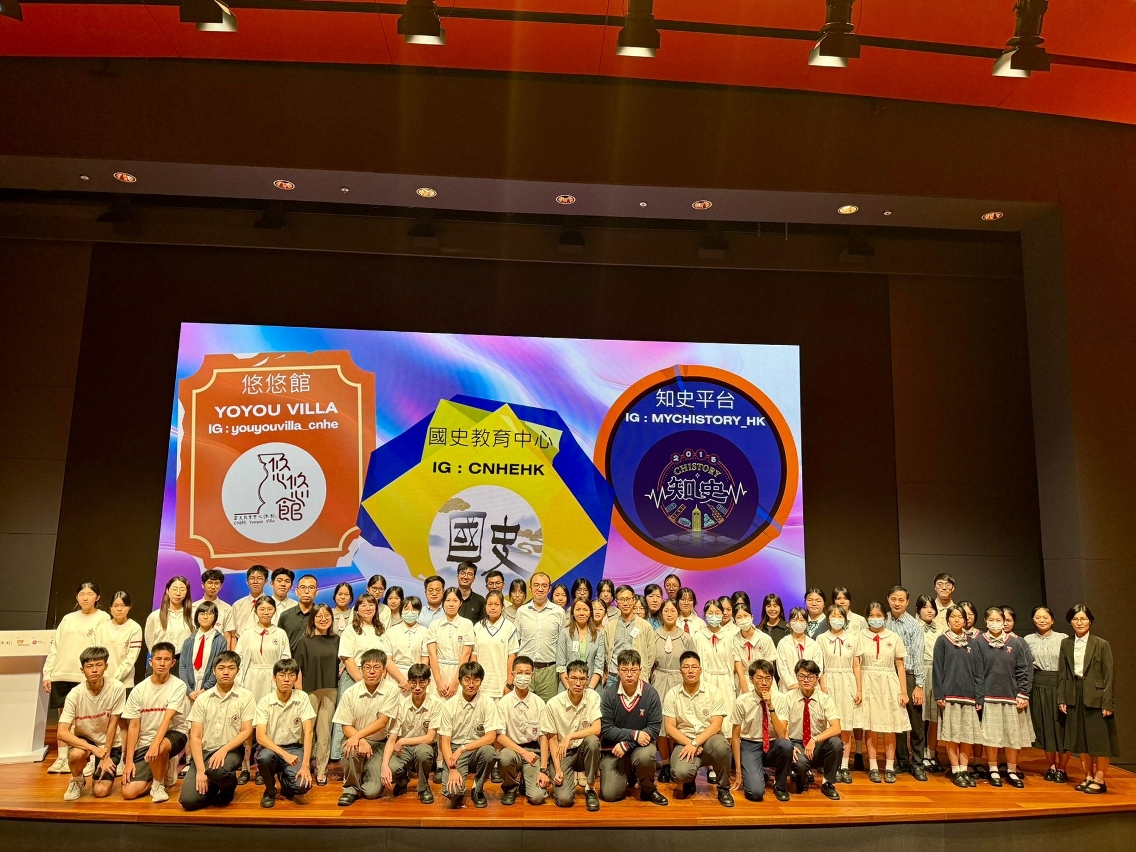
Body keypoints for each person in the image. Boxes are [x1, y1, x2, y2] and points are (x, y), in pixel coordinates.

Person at [45, 582, 112, 774]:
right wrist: (48, 672)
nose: (85, 597)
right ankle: (62, 757)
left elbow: (101, 649)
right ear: (76, 597)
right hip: (61, 672)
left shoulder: (103, 618)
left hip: (84, 674)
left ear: (97, 597)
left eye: (89, 594)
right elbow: (55, 646)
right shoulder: (68, 618)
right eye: (81, 594)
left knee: (83, 720)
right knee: (64, 717)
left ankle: (87, 757)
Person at [179, 649, 255, 811]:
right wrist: (200, 770)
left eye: (231, 668)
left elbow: (246, 730)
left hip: (231, 751)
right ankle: (212, 785)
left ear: (238, 670)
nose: (226, 672)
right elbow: (195, 736)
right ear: (214, 671)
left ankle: (228, 787)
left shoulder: (245, 696)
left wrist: (224, 750)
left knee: (219, 771)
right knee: (188, 801)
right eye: (221, 668)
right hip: (204, 752)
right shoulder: (203, 699)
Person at [662, 650, 734, 807]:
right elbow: (669, 727)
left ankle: (724, 788)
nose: (690, 670)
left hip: (709, 741)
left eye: (694, 667)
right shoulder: (672, 694)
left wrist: (695, 743)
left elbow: (717, 724)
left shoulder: (713, 691)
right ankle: (689, 780)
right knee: (680, 773)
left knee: (722, 746)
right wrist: (690, 743)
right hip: (684, 742)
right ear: (680, 670)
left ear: (700, 670)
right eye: (686, 667)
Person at [1058, 604, 1117, 794]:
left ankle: (1100, 779)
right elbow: (1063, 673)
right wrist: (1062, 698)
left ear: (1090, 621)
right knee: (1080, 740)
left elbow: (1109, 675)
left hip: (1096, 696)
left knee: (1099, 742)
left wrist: (1108, 701)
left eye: (1083, 619)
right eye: (1075, 619)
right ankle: (1088, 776)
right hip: (1074, 694)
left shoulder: (1101, 644)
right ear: (1070, 622)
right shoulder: (1066, 643)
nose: (1079, 622)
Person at [973, 605, 1033, 789]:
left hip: (1011, 697)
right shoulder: (978, 642)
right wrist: (979, 696)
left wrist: (1023, 694)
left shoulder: (1015, 643)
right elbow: (976, 671)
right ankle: (993, 769)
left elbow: (1023, 669)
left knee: (1012, 736)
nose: (995, 623)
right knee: (991, 736)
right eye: (991, 620)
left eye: (999, 620)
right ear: (985, 621)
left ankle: (1012, 770)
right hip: (989, 697)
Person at [120, 642, 188, 803]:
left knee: (160, 747)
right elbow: (133, 726)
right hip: (145, 742)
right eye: (158, 659)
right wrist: (128, 761)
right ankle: (161, 768)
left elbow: (167, 719)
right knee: (128, 792)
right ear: (151, 662)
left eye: (167, 659)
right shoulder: (139, 690)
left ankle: (158, 784)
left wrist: (155, 745)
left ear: (173, 662)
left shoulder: (178, 686)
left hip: (173, 734)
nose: (162, 663)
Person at [334, 648, 401, 806]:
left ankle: (364, 773)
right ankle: (350, 788)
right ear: (361, 670)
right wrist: (360, 739)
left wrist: (359, 736)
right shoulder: (350, 692)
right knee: (350, 747)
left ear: (384, 671)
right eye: (367, 667)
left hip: (380, 743)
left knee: (371, 793)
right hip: (356, 740)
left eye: (376, 667)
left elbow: (382, 722)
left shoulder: (392, 690)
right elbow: (346, 727)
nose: (371, 672)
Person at [57, 646, 125, 801]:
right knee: (76, 754)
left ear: (106, 666)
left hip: (109, 742)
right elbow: (62, 732)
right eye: (89, 666)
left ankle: (102, 768)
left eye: (99, 665)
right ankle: (77, 780)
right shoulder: (75, 694)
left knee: (100, 792)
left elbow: (113, 724)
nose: (94, 670)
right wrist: (93, 749)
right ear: (82, 670)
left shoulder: (117, 688)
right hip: (85, 739)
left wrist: (106, 755)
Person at [599, 650, 667, 805]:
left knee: (646, 756)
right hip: (614, 750)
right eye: (625, 670)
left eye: (633, 670)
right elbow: (607, 729)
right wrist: (634, 735)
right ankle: (629, 774)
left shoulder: (651, 694)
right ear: (618, 671)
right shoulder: (609, 694)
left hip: (641, 747)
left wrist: (627, 744)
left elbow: (654, 729)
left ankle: (648, 789)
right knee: (610, 794)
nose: (629, 674)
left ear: (640, 671)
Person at [235, 595, 291, 783]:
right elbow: (238, 660)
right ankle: (244, 768)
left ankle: (263, 769)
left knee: (267, 725)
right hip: (250, 680)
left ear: (274, 611)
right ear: (255, 611)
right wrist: (239, 684)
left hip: (271, 680)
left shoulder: (280, 634)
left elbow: (285, 661)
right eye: (262, 609)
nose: (266, 612)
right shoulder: (247, 633)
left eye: (269, 609)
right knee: (248, 724)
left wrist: (280, 681)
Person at [438, 661, 502, 808]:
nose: (471, 685)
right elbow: (445, 742)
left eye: (476, 680)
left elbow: (491, 737)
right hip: (454, 750)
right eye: (467, 680)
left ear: (481, 681)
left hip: (476, 749)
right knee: (452, 794)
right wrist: (452, 769)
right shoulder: (449, 705)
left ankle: (477, 789)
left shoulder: (488, 703)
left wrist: (463, 748)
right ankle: (459, 786)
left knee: (489, 752)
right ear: (460, 681)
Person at [933, 605, 984, 788]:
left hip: (969, 697)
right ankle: (955, 770)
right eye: (953, 616)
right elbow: (937, 669)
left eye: (960, 617)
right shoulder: (942, 641)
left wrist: (979, 696)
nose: (956, 619)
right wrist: (939, 694)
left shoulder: (973, 643)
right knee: (952, 735)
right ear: (948, 620)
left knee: (967, 735)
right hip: (950, 696)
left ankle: (964, 769)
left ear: (965, 620)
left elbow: (979, 671)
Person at [541, 659, 602, 810]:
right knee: (564, 800)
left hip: (582, 751)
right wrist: (558, 769)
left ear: (587, 680)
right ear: (566, 679)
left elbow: (596, 729)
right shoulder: (553, 704)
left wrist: (570, 736)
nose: (578, 683)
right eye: (574, 678)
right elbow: (552, 740)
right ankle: (561, 777)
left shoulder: (593, 696)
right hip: (563, 753)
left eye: (582, 679)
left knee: (592, 741)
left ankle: (590, 788)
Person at [860, 600, 910, 782]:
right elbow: (856, 664)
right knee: (871, 725)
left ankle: (889, 766)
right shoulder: (860, 636)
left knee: (891, 726)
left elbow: (900, 665)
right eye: (872, 616)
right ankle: (873, 766)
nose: (875, 619)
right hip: (868, 682)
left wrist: (903, 692)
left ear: (885, 617)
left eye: (879, 616)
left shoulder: (893, 637)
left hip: (889, 683)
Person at [730, 659, 793, 802]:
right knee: (755, 793)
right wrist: (738, 772)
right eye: (759, 678)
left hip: (773, 744)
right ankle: (756, 772)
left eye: (768, 678)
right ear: (751, 679)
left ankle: (780, 786)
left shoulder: (781, 699)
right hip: (750, 745)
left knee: (786, 745)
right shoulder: (742, 701)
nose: (764, 682)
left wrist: (771, 706)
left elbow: (781, 734)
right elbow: (735, 736)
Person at [255, 658, 315, 807]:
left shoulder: (302, 697)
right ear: (274, 678)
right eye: (282, 675)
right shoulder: (265, 702)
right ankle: (270, 790)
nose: (286, 679)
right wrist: (284, 755)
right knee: (264, 758)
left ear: (296, 678)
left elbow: (309, 732)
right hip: (271, 748)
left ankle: (285, 779)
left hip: (294, 748)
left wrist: (305, 765)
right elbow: (260, 737)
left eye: (291, 675)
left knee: (302, 786)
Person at [381, 663, 442, 803]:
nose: (418, 687)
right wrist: (384, 766)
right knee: (391, 768)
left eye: (422, 682)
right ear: (408, 683)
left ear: (429, 682)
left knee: (423, 751)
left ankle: (423, 788)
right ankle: (402, 781)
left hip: (426, 746)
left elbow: (430, 737)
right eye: (414, 683)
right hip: (405, 749)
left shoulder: (436, 704)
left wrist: (403, 741)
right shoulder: (401, 705)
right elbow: (392, 739)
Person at [293, 603, 340, 786]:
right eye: (318, 616)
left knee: (325, 733)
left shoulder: (337, 639)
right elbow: (297, 669)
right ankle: (302, 766)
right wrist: (299, 693)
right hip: (308, 691)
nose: (323, 619)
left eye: (326, 615)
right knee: (306, 732)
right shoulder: (304, 640)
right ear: (312, 619)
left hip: (330, 690)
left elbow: (344, 660)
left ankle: (321, 770)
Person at [884, 585, 928, 780]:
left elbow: (918, 656)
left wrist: (919, 685)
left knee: (915, 722)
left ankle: (918, 763)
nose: (897, 603)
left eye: (901, 600)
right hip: (889, 676)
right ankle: (902, 761)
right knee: (896, 721)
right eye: (894, 599)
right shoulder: (883, 620)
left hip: (909, 676)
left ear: (908, 602)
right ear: (888, 599)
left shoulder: (913, 625)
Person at [496, 655, 550, 806]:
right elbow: (499, 736)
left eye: (527, 673)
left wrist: (543, 770)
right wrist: (523, 753)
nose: (523, 677)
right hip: (512, 750)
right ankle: (510, 788)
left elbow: (544, 737)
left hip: (534, 753)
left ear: (532, 676)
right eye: (519, 673)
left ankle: (526, 782)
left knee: (537, 798)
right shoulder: (503, 703)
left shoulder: (539, 703)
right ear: (513, 674)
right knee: (504, 757)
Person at [785, 659, 842, 800]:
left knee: (835, 743)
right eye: (801, 676)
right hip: (796, 743)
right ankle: (801, 776)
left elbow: (836, 728)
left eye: (810, 676)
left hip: (817, 744)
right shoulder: (788, 698)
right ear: (797, 677)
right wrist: (789, 745)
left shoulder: (825, 699)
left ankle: (828, 783)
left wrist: (814, 740)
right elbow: (781, 726)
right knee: (800, 764)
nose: (806, 680)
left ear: (817, 678)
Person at [818, 604, 862, 784]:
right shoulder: (821, 638)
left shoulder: (853, 638)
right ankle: (832, 765)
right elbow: (820, 665)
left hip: (847, 682)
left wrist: (859, 689)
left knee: (846, 726)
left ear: (845, 619)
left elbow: (856, 665)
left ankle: (844, 765)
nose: (836, 618)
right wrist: (822, 686)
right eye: (833, 615)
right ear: (828, 619)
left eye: (840, 616)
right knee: (831, 725)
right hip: (829, 681)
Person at [651, 597, 694, 782]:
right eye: (666, 611)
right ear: (661, 614)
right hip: (659, 681)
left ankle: (678, 761)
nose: (669, 614)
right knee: (661, 724)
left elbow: (692, 664)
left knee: (676, 723)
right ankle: (666, 764)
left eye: (673, 611)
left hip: (679, 682)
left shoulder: (686, 638)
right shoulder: (653, 635)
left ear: (678, 613)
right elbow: (649, 663)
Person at [1025, 605, 1069, 782]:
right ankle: (1051, 766)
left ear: (1052, 620)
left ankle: (1062, 768)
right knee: (1045, 726)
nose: (1042, 620)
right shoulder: (1027, 640)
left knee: (1062, 727)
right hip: (1039, 684)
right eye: (1038, 617)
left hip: (1059, 684)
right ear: (1033, 620)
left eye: (1045, 617)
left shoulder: (1063, 638)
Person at [694, 598, 736, 751]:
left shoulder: (729, 636)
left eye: (717, 612)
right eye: (710, 613)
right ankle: (709, 756)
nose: (714, 616)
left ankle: (728, 754)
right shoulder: (698, 636)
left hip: (725, 681)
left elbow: (733, 662)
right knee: (708, 717)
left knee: (728, 719)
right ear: (705, 614)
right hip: (706, 680)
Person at [514, 571, 564, 701]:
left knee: (548, 709)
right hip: (525, 670)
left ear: (549, 588)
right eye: (536, 585)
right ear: (530, 588)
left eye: (544, 585)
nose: (540, 589)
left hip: (549, 671)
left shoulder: (559, 612)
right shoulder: (521, 611)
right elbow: (516, 642)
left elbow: (562, 643)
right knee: (522, 708)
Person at [428, 587, 475, 700]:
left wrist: (456, 682)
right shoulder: (434, 625)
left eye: (455, 601)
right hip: (438, 673)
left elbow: (466, 654)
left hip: (459, 673)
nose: (451, 604)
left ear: (460, 603)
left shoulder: (467, 624)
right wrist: (439, 682)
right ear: (443, 602)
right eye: (448, 600)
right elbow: (432, 655)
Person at [603, 584, 654, 690]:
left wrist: (644, 673)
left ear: (634, 600)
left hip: (637, 677)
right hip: (613, 676)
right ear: (616, 602)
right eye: (621, 599)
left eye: (628, 599)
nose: (625, 603)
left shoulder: (645, 626)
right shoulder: (610, 626)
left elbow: (651, 654)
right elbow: (606, 652)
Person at [472, 590, 519, 698]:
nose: (493, 608)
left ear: (502, 607)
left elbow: (512, 658)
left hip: (501, 685)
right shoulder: (477, 627)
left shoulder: (509, 628)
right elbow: (474, 656)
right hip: (481, 686)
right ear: (485, 606)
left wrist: (509, 684)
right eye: (490, 604)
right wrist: (475, 681)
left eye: (496, 604)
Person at [179, 601, 229, 700]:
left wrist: (205, 689)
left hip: (208, 689)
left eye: (209, 614)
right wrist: (189, 691)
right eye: (202, 613)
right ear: (197, 616)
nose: (205, 617)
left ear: (215, 616)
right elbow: (182, 667)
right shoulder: (189, 640)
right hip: (188, 691)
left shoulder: (220, 641)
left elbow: (219, 667)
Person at [916, 594, 943, 772]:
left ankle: (931, 754)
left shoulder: (941, 629)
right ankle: (919, 754)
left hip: (937, 671)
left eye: (932, 607)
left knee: (934, 716)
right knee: (921, 716)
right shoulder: (914, 627)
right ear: (918, 610)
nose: (929, 610)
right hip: (920, 671)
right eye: (925, 607)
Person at [100, 590, 143, 691]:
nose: (119, 609)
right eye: (115, 605)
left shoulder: (134, 628)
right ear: (110, 607)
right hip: (101, 682)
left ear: (129, 607)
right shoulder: (101, 627)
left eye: (123, 605)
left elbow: (130, 659)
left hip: (124, 683)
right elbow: (96, 655)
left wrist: (113, 679)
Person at [145, 575, 194, 657]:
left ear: (187, 592)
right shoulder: (155, 616)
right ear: (167, 591)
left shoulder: (192, 615)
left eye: (182, 590)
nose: (178, 593)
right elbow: (149, 641)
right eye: (174, 589)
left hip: (184, 660)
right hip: (162, 659)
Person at [386, 595, 428, 688]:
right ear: (401, 610)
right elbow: (388, 660)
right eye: (406, 609)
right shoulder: (391, 632)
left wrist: (413, 681)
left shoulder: (425, 632)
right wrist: (403, 680)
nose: (410, 612)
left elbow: (425, 660)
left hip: (417, 678)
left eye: (414, 609)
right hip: (394, 678)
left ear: (419, 612)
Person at [776, 607, 823, 688]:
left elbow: (818, 667)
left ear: (807, 623)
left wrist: (807, 683)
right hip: (789, 688)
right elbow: (781, 667)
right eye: (794, 620)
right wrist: (792, 684)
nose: (798, 623)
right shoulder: (783, 643)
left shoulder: (813, 644)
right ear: (789, 623)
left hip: (810, 687)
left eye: (801, 620)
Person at [278, 574, 319, 652]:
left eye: (311, 587)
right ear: (296, 591)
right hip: (290, 659)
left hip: (314, 658)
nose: (306, 591)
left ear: (316, 592)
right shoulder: (285, 615)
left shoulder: (321, 616)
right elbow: (279, 643)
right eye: (303, 587)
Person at [198, 569, 236, 648]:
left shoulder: (227, 608)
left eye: (216, 583)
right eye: (210, 583)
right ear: (203, 585)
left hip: (219, 648)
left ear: (221, 586)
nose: (213, 587)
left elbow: (228, 635)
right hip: (197, 647)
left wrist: (226, 654)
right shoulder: (193, 607)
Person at [231, 565, 270, 638]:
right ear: (247, 581)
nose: (255, 581)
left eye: (259, 578)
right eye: (252, 578)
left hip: (264, 641)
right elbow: (232, 632)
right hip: (240, 641)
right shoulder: (237, 605)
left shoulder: (271, 605)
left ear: (266, 581)